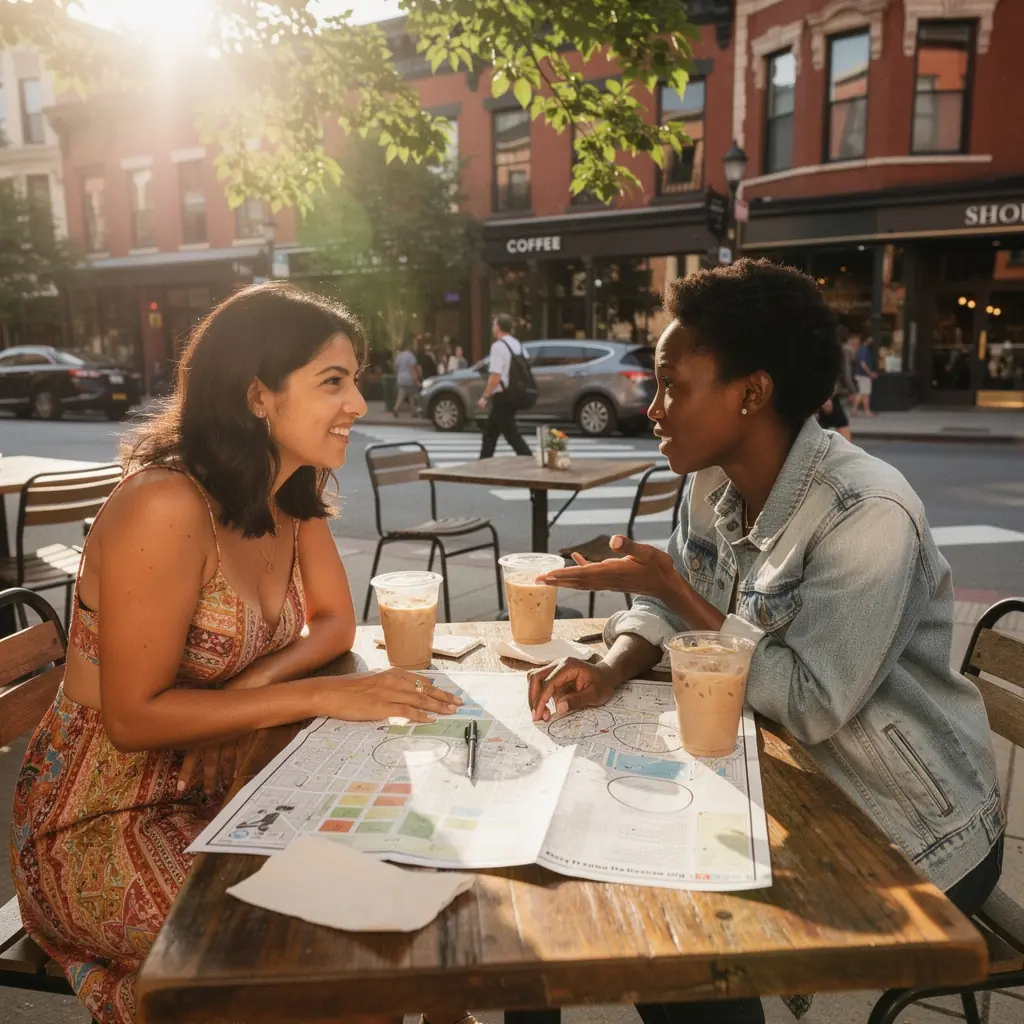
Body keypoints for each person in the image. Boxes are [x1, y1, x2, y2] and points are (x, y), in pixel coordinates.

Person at [526, 260, 1003, 1024]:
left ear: (751, 394)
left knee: (679, 932)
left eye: (674, 386)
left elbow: (811, 703)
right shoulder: (710, 482)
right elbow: (671, 607)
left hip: (913, 828)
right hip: (780, 778)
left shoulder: (868, 512)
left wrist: (672, 590)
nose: (654, 409)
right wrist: (611, 668)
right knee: (559, 858)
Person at [9, 283, 470, 1024]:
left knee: (416, 899)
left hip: (231, 789)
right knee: (313, 965)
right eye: (333, 381)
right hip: (102, 822)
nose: (358, 402)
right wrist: (315, 696)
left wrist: (248, 692)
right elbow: (130, 718)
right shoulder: (165, 504)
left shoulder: (288, 491)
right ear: (259, 394)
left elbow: (333, 626)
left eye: (356, 379)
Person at [478, 313, 532, 458]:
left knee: (510, 433)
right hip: (517, 393)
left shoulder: (498, 346)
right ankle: (483, 461)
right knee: (491, 432)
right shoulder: (518, 345)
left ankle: (528, 457)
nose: (493, 328)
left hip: (503, 395)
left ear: (498, 327)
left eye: (494, 324)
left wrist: (485, 396)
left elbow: (495, 375)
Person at [851, 331, 877, 416]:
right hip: (863, 375)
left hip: (862, 375)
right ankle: (863, 411)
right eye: (871, 338)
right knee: (864, 393)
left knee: (864, 393)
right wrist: (870, 373)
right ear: (867, 339)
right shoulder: (864, 349)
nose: (872, 340)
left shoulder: (862, 349)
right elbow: (863, 363)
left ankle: (863, 410)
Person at [393, 338, 420, 417]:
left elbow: (396, 367)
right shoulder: (411, 356)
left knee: (401, 395)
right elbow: (412, 369)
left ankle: (396, 409)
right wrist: (416, 380)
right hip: (409, 379)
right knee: (411, 395)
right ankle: (413, 412)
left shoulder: (399, 356)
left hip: (400, 378)